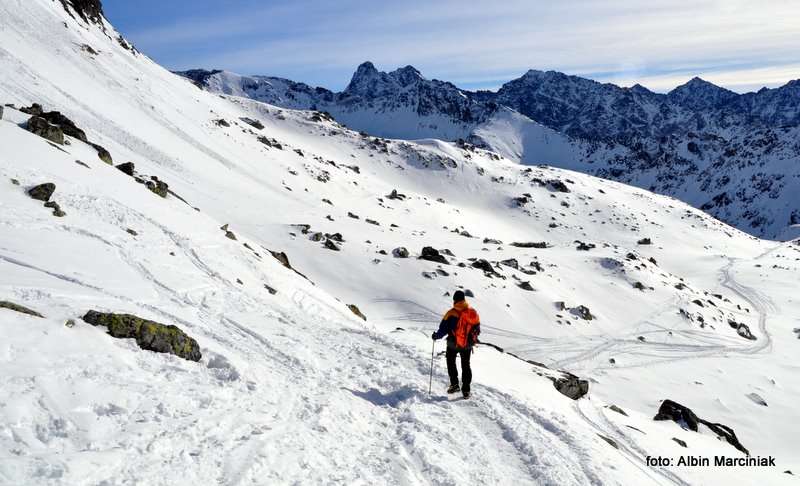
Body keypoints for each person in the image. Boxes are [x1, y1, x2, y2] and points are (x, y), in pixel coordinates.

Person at [432, 290, 481, 398]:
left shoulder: (451, 313)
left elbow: (443, 330)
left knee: (451, 362)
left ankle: (454, 385)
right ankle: (466, 390)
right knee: (466, 365)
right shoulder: (473, 313)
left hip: (452, 344)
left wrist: (436, 336)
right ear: (464, 299)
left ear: (454, 300)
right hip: (467, 345)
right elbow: (477, 329)